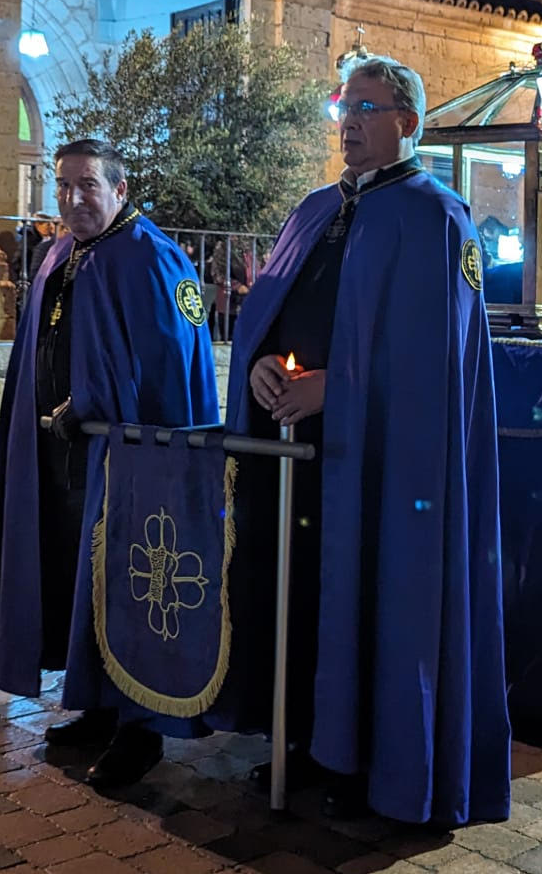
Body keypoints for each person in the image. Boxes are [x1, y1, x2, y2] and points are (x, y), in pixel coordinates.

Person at [209, 54, 512, 827]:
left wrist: (332, 391)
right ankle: (311, 740)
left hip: (384, 468)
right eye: (345, 106)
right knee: (303, 592)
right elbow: (270, 313)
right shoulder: (314, 208)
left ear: (407, 122)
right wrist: (264, 370)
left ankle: (379, 759)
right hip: (300, 460)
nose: (349, 121)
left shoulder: (436, 217)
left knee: (379, 598)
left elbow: (432, 364)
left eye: (368, 108)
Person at [0, 139, 219, 790]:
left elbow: (168, 368)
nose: (74, 199)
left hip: (126, 463)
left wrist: (99, 405)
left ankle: (140, 729)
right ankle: (96, 704)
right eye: (64, 186)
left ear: (121, 190)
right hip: (62, 456)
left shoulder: (152, 259)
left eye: (88, 186)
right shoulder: (63, 252)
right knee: (79, 583)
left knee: (127, 584)